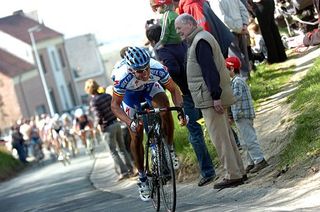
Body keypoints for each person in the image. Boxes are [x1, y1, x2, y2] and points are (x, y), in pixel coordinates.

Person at [175, 13, 246, 189]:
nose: (178, 32)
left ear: (190, 25)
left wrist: (215, 97)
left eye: (179, 28)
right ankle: (238, 171)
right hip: (210, 97)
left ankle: (233, 175)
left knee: (220, 139)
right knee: (226, 137)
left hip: (210, 99)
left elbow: (209, 71)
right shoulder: (200, 38)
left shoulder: (199, 41)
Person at [111, 46, 186, 201]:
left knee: (165, 108)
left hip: (150, 88)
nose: (145, 73)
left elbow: (174, 89)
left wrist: (180, 111)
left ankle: (169, 149)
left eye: (146, 68)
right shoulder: (121, 76)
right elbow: (114, 105)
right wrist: (129, 121)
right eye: (139, 71)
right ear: (131, 70)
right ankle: (143, 178)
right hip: (129, 96)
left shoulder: (156, 67)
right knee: (136, 134)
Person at [146, 24, 216, 186]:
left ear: (153, 40)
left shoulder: (161, 50)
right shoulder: (181, 43)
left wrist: (162, 75)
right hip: (201, 86)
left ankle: (207, 171)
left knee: (194, 132)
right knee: (214, 119)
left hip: (187, 93)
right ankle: (236, 144)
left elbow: (174, 69)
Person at [84, 79, 134, 181]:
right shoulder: (107, 96)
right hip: (116, 124)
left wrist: (95, 127)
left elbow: (98, 116)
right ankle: (131, 169)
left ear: (88, 90)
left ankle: (123, 173)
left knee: (113, 151)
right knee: (122, 148)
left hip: (107, 128)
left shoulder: (94, 101)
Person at [226, 56, 268, 174]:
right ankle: (251, 162)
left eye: (226, 69)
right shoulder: (234, 81)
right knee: (244, 141)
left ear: (232, 69)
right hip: (239, 115)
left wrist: (225, 97)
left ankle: (259, 160)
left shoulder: (237, 81)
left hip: (243, 114)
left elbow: (235, 97)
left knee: (249, 138)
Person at [209, 0, 251, 78]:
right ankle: (245, 75)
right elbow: (223, 17)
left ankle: (243, 76)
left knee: (237, 54)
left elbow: (222, 18)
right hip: (238, 27)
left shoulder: (215, 1)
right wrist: (243, 25)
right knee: (240, 53)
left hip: (231, 29)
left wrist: (243, 26)